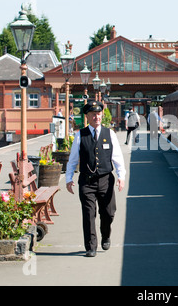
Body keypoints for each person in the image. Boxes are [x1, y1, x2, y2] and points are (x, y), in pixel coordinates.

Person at [66, 101, 126, 257]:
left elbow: (117, 157)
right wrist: (68, 178)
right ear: (87, 117)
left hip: (106, 180)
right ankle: (90, 246)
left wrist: (122, 176)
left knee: (108, 212)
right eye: (93, 114)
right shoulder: (80, 135)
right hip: (86, 181)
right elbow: (73, 159)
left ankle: (106, 235)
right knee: (88, 214)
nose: (96, 117)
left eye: (99, 114)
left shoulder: (109, 133)